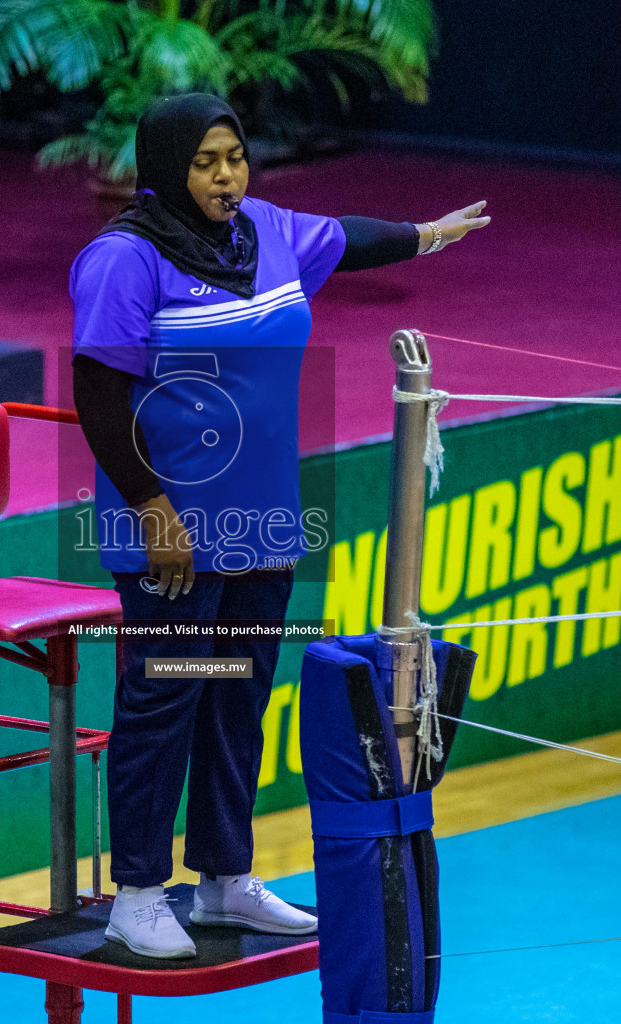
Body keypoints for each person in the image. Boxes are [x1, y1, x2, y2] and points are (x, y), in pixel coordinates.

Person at [70, 93, 489, 959]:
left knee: (239, 694)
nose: (226, 176)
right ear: (165, 169)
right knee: (165, 699)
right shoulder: (124, 260)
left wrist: (430, 233)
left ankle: (225, 880)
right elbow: (98, 396)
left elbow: (349, 235)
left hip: (261, 523)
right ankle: (138, 894)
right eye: (205, 162)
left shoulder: (265, 232)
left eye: (235, 157)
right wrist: (153, 509)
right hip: (173, 531)